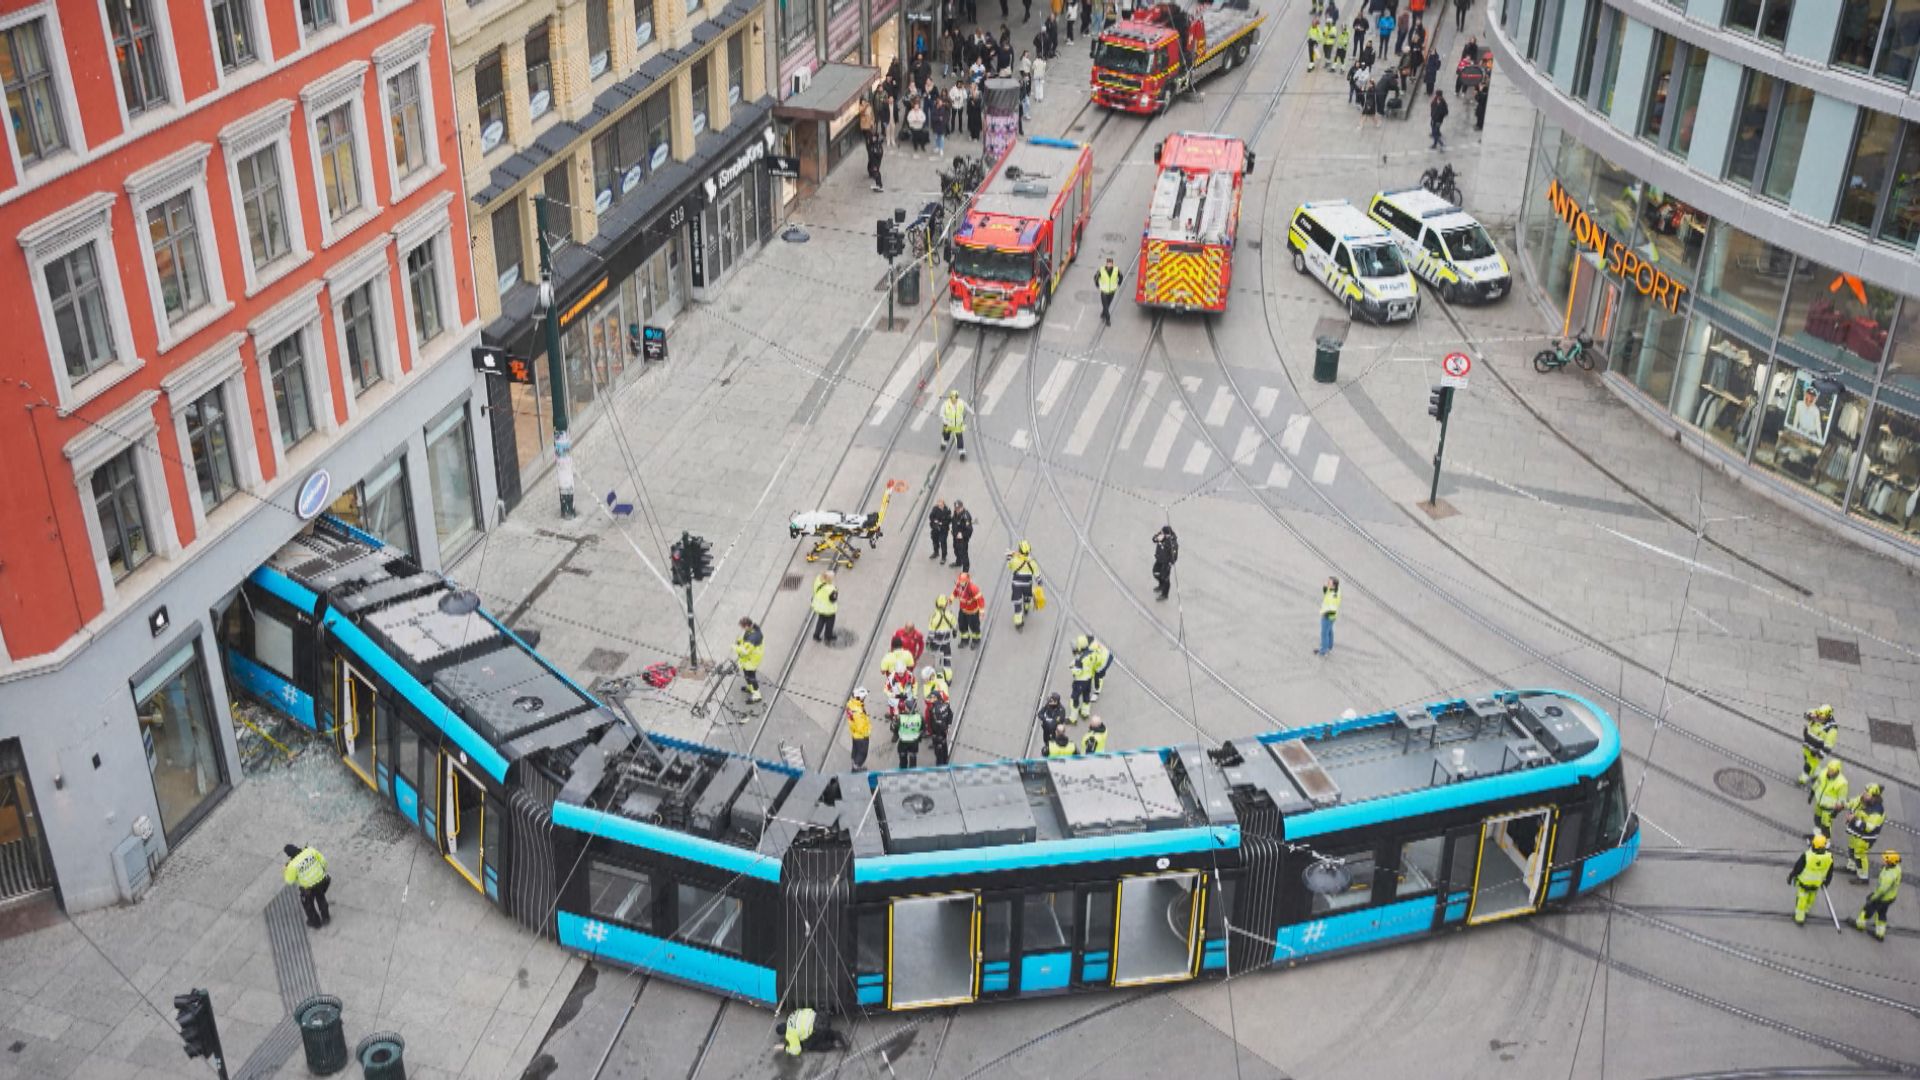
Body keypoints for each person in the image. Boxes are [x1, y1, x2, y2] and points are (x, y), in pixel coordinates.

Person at [1789, 833, 1834, 926]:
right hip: (1816, 884)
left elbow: (1797, 869)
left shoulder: (1807, 856)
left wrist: (1791, 877)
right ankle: (1806, 911)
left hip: (1804, 883)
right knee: (1811, 898)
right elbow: (1830, 872)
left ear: (1814, 844)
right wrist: (1827, 882)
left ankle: (1799, 918)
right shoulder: (1829, 857)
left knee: (1801, 900)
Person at [1855, 851, 1901, 941]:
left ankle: (1860, 925)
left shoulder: (1888, 876)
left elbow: (1881, 891)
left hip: (1882, 898)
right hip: (1890, 897)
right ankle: (1880, 934)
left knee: (1867, 909)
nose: (1883, 861)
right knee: (1882, 914)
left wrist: (1872, 897)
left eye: (1885, 860)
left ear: (1890, 862)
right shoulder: (1897, 869)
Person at [283, 843, 332, 928]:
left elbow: (289, 880)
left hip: (308, 888)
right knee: (321, 898)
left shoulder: (292, 865)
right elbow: (323, 861)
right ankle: (326, 918)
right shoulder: (310, 851)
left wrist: (285, 870)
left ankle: (315, 923)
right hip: (320, 880)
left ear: (289, 855)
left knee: (308, 905)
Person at [1846, 783, 1887, 881]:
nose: (1864, 795)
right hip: (1856, 832)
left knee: (1860, 855)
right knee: (1851, 848)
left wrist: (1853, 820)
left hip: (1865, 837)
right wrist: (1843, 805)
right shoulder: (1864, 800)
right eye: (1865, 792)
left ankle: (1863, 876)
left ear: (1874, 797)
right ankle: (1851, 867)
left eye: (1867, 794)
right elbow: (1853, 802)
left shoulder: (1877, 811)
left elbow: (1869, 828)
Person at [780, 1008, 848, 1056]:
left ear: (784, 1033)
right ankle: (837, 1034)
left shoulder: (789, 1033)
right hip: (821, 1017)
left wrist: (786, 1048)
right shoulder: (793, 1013)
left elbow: (797, 1050)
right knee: (823, 1031)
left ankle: (834, 1044)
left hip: (818, 1028)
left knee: (811, 1046)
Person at [1799, 704, 1838, 784]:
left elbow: (1828, 745)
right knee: (1806, 758)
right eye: (1819, 714)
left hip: (1816, 751)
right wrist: (1811, 715)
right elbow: (1806, 715)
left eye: (1822, 715)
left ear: (1828, 716)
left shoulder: (1831, 730)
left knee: (1808, 764)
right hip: (1807, 744)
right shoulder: (1816, 713)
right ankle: (1818, 773)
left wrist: (1820, 754)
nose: (1819, 717)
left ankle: (1804, 777)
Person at [1811, 758, 1849, 836]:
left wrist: (1836, 811)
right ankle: (1817, 834)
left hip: (1829, 808)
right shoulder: (1823, 772)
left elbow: (1841, 800)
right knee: (1817, 818)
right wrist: (1812, 792)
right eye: (1829, 769)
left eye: (1832, 770)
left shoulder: (1842, 783)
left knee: (1826, 826)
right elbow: (1817, 783)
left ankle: (1825, 841)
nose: (1829, 771)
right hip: (1819, 803)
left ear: (1837, 770)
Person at [1007, 540, 1040, 628]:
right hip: (1027, 585)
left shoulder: (1014, 560)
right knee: (1027, 596)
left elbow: (1009, 567)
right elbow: (1037, 575)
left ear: (1020, 550)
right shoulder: (1032, 562)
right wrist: (1039, 582)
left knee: (1017, 603)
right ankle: (1026, 607)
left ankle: (1018, 622)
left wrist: (1009, 558)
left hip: (1016, 585)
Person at [734, 617, 765, 704]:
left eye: (743, 627)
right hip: (750, 658)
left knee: (751, 677)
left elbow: (745, 651)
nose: (742, 629)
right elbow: (746, 642)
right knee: (747, 674)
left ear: (747, 626)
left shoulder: (753, 637)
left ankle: (757, 695)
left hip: (752, 660)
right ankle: (750, 688)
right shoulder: (753, 629)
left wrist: (735, 647)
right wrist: (740, 641)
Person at [955, 571, 986, 648]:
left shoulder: (973, 589)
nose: (960, 582)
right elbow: (955, 592)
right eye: (960, 581)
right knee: (962, 625)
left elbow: (980, 600)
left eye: (962, 581)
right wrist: (950, 599)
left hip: (973, 612)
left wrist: (981, 612)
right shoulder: (959, 586)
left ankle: (976, 640)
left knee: (974, 627)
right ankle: (965, 640)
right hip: (963, 610)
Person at [1069, 639, 1098, 722]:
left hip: (1080, 681)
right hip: (1089, 679)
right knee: (1086, 697)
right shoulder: (1093, 654)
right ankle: (1085, 713)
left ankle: (1073, 718)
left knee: (1074, 699)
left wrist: (1072, 668)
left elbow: (1077, 671)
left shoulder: (1080, 658)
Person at [926, 690, 955, 765]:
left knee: (939, 753)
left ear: (935, 698)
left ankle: (940, 768)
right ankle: (945, 762)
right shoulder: (945, 705)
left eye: (931, 698)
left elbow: (933, 723)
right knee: (944, 748)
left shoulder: (933, 710)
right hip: (944, 732)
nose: (930, 699)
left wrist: (932, 732)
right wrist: (948, 726)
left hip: (937, 734)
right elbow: (950, 715)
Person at [846, 688, 873, 769]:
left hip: (855, 734)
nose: (864, 699)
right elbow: (860, 727)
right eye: (863, 697)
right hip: (861, 736)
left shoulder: (851, 705)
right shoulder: (858, 712)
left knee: (856, 750)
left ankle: (854, 763)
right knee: (862, 753)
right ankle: (856, 767)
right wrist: (867, 733)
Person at [1314, 577, 1341, 656]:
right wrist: (1325, 586)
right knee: (1329, 631)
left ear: (1333, 585)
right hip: (1332, 617)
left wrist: (1324, 614)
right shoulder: (1336, 589)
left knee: (1324, 633)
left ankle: (1323, 651)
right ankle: (1329, 646)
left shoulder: (1333, 597)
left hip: (1328, 616)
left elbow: (1332, 609)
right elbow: (1326, 592)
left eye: (1329, 582)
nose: (1327, 583)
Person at [928, 594, 957, 665]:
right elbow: (955, 625)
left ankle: (934, 669)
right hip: (946, 640)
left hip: (936, 641)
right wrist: (954, 633)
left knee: (934, 656)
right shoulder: (950, 614)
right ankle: (947, 673)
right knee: (946, 657)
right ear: (946, 604)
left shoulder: (933, 616)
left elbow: (931, 631)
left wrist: (929, 641)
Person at [811, 571, 839, 644]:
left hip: (819, 606)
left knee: (821, 620)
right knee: (830, 623)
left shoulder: (818, 580)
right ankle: (828, 636)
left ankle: (816, 635)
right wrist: (836, 590)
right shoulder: (831, 589)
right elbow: (833, 599)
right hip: (828, 610)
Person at [896, 697, 924, 767]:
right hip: (914, 743)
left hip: (903, 743)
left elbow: (895, 729)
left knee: (903, 761)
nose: (904, 708)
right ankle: (913, 774)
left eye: (905, 706)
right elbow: (923, 729)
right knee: (913, 760)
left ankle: (903, 773)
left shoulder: (901, 718)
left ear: (908, 708)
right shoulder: (919, 717)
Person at [1151, 525, 1178, 599]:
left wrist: (1170, 564)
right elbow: (1153, 539)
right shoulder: (1161, 535)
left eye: (1162, 533)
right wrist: (1157, 537)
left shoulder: (1172, 543)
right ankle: (1161, 585)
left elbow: (1174, 556)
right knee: (1155, 572)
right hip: (1159, 559)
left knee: (1165, 578)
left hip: (1166, 563)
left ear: (1167, 534)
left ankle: (1165, 594)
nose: (1160, 533)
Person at [1096, 255, 1123, 325]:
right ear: (1106, 263)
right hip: (1104, 292)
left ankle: (1103, 313)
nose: (1109, 265)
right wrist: (1098, 285)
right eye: (1108, 263)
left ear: (1112, 264)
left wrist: (1119, 284)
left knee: (1107, 305)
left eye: (1110, 263)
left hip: (1112, 291)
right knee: (1105, 305)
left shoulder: (1116, 270)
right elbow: (1095, 277)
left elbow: (1121, 276)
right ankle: (1108, 320)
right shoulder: (1101, 270)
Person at [941, 388, 969, 459]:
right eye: (954, 399)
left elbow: (966, 406)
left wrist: (972, 412)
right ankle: (943, 443)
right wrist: (945, 421)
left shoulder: (960, 402)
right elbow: (941, 414)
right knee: (946, 436)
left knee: (959, 438)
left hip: (957, 425)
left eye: (956, 399)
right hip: (948, 424)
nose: (955, 401)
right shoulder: (946, 404)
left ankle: (961, 452)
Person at [951, 501, 974, 572]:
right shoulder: (955, 514)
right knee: (956, 550)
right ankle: (958, 562)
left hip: (962, 540)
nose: (957, 510)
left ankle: (965, 572)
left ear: (962, 507)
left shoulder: (966, 516)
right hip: (955, 537)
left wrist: (962, 534)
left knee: (963, 554)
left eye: (958, 508)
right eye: (956, 508)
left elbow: (970, 530)